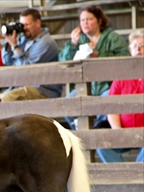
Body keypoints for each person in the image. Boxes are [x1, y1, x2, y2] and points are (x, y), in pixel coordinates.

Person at [59, 5, 130, 129]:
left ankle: (97, 130)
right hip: (86, 86)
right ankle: (81, 132)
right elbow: (64, 62)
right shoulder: (78, 40)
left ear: (99, 20)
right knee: (66, 104)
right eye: (82, 20)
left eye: (89, 19)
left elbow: (124, 58)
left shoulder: (112, 38)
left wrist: (99, 56)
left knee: (106, 104)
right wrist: (72, 44)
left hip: (108, 85)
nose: (85, 23)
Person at [0, 8, 61, 103]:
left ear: (37, 23)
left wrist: (15, 46)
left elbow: (26, 70)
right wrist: (9, 43)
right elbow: (7, 62)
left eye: (27, 24)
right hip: (19, 87)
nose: (24, 28)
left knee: (8, 99)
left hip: (42, 90)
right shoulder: (23, 39)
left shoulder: (46, 42)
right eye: (22, 25)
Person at [96, 30, 144, 163]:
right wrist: (118, 131)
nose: (138, 49)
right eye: (134, 46)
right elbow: (112, 106)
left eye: (141, 46)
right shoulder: (123, 75)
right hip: (124, 130)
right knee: (101, 141)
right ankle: (120, 175)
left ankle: (138, 177)